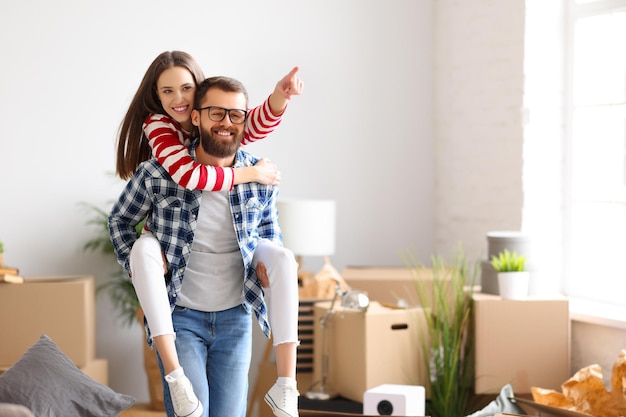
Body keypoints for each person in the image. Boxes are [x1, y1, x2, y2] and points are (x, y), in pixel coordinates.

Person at [113, 51, 301, 417]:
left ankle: (286, 386)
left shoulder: (256, 169)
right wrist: (141, 270)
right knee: (144, 249)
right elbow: (122, 220)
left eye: (235, 116)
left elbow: (267, 228)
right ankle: (175, 376)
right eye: (216, 113)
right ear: (198, 116)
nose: (178, 99)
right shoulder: (162, 163)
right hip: (182, 316)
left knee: (283, 257)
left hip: (235, 315)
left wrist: (280, 97)